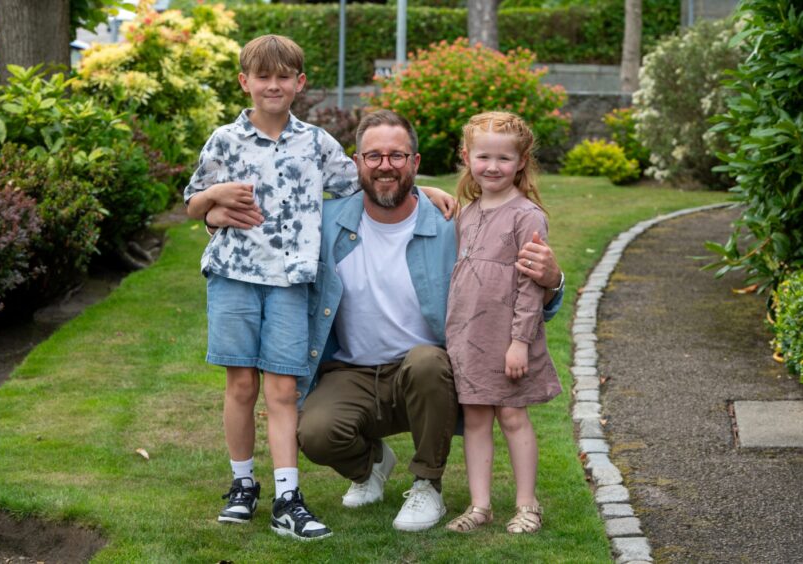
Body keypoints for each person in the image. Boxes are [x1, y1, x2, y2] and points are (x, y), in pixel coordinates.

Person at [206, 111, 563, 533]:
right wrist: (210, 217)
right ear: (356, 162)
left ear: (415, 162)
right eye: (373, 156)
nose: (385, 166)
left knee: (428, 362)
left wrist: (553, 281)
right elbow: (272, 222)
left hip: (425, 374)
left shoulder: (450, 223)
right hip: (352, 372)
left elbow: (502, 286)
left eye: (398, 155)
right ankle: (371, 463)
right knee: (316, 432)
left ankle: (428, 483)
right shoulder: (328, 223)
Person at [184, 36, 454, 541]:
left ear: (300, 84)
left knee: (284, 391)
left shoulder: (317, 143)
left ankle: (289, 497)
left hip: (291, 283)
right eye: (262, 77)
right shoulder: (224, 139)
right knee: (241, 386)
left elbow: (370, 182)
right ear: (244, 82)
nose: (273, 85)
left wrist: (424, 189)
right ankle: (243, 485)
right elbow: (192, 202)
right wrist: (214, 200)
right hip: (233, 277)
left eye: (284, 76)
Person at [444, 112, 562, 535]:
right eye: (483, 156)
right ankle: (480, 506)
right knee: (475, 419)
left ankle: (527, 505)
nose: (492, 166)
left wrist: (519, 342)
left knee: (512, 416)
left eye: (503, 158)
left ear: (522, 161)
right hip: (468, 337)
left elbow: (531, 286)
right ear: (466, 157)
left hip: (509, 338)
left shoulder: (526, 216)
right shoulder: (466, 214)